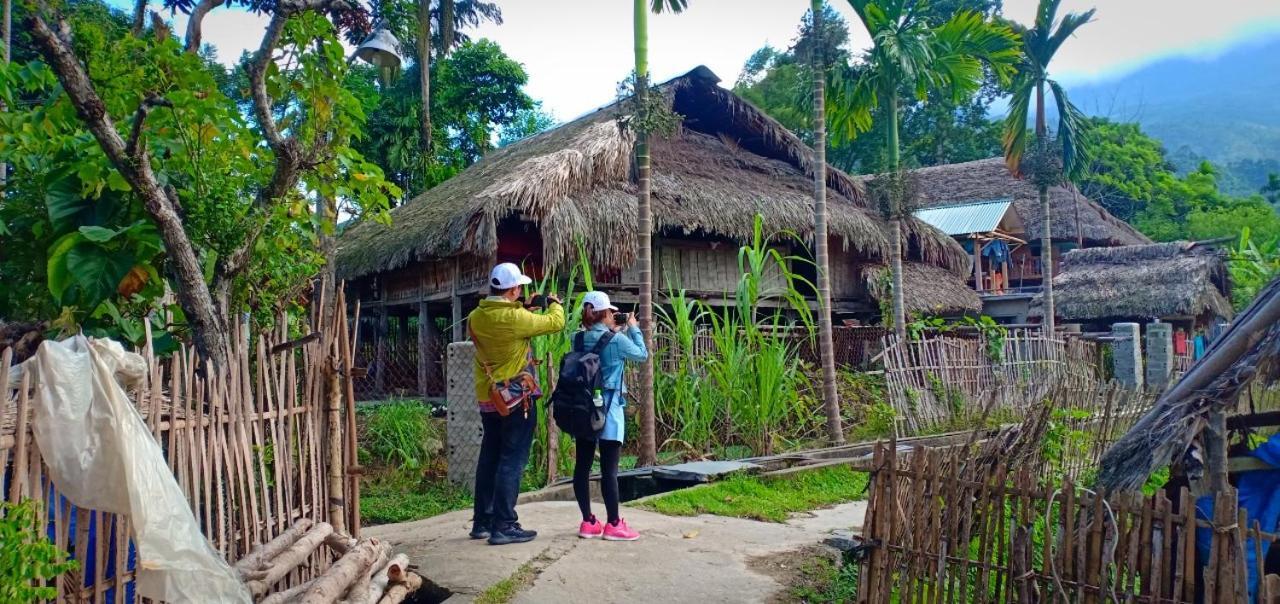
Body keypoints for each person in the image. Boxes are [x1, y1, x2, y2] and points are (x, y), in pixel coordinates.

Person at [468, 262, 565, 545]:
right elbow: (555, 322)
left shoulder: (476, 316)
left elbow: (507, 329)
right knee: (512, 459)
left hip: (489, 397)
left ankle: (482, 522)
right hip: (515, 399)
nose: (521, 291)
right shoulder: (515, 318)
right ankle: (505, 525)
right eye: (519, 287)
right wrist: (553, 303)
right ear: (512, 290)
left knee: (490, 458)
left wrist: (524, 310)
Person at [572, 291, 648, 541]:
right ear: (606, 313)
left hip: (583, 409)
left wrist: (612, 330)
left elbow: (595, 348)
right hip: (609, 410)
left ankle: (588, 522)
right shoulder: (616, 340)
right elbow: (641, 354)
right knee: (609, 470)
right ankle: (614, 524)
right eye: (611, 312)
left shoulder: (577, 338)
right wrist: (633, 327)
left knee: (582, 467)